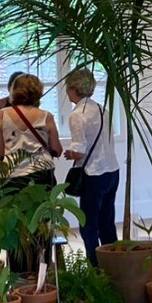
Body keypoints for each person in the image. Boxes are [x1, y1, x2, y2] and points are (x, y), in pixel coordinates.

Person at [0, 74, 61, 272]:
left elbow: (0, 151)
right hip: (42, 174)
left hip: (12, 175)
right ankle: (42, 269)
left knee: (15, 225)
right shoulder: (46, 116)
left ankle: (18, 272)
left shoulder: (3, 114)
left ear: (14, 91)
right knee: (42, 222)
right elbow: (56, 148)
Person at [63, 67, 119, 267]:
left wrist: (69, 153)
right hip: (112, 170)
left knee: (88, 224)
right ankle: (114, 264)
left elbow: (79, 151)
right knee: (107, 222)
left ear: (73, 88)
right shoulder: (102, 109)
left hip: (93, 173)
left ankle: (95, 267)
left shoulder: (77, 114)